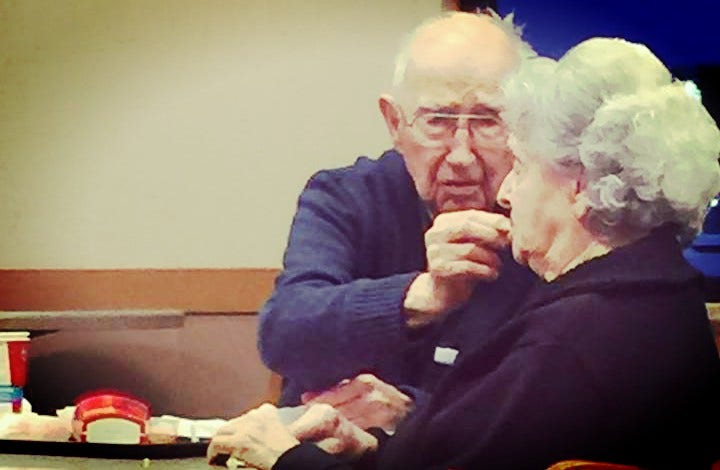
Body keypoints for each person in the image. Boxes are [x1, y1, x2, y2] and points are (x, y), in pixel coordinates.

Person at [209, 37, 720, 469]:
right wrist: (371, 445)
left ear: (582, 186)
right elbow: (467, 448)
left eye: (518, 163)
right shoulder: (660, 296)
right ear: (395, 121)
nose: (506, 192)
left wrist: (283, 457)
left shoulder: (572, 338)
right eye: (437, 120)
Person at [258, 9, 537, 411]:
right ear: (394, 123)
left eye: (488, 120)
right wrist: (426, 293)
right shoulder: (346, 196)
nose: (461, 154)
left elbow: (537, 399)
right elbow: (284, 333)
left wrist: (409, 415)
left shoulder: (542, 221)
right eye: (438, 120)